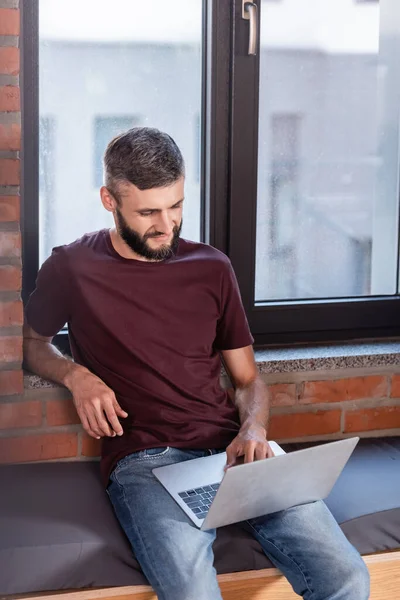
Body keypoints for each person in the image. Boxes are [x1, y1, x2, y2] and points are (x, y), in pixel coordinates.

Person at [24, 127, 369, 600]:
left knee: (347, 576)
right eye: (148, 212)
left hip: (233, 453)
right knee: (192, 594)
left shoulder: (212, 267)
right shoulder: (71, 267)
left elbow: (249, 381)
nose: (167, 225)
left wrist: (253, 429)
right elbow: (30, 343)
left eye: (177, 206)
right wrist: (75, 375)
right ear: (109, 199)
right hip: (145, 462)